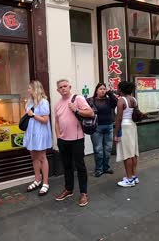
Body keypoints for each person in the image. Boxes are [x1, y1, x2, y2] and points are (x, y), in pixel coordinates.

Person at [54, 79, 94, 207]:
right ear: (58, 90)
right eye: (60, 87)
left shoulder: (78, 99)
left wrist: (76, 110)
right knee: (67, 166)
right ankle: (69, 189)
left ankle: (83, 193)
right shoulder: (57, 104)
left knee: (80, 166)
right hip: (63, 141)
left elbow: (90, 113)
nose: (63, 88)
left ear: (70, 87)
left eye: (65, 86)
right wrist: (58, 136)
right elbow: (56, 121)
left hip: (77, 139)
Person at [24, 81, 52, 196]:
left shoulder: (44, 102)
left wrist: (33, 115)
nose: (28, 90)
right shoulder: (29, 102)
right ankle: (37, 179)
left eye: (29, 88)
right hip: (31, 133)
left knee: (42, 157)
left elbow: (45, 120)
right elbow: (27, 116)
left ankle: (45, 182)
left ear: (36, 89)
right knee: (34, 157)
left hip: (40, 133)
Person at [113, 81, 140, 187]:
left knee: (127, 154)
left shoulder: (121, 101)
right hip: (132, 126)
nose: (117, 89)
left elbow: (118, 119)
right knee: (133, 152)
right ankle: (133, 176)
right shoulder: (134, 99)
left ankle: (129, 180)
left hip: (124, 127)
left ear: (121, 89)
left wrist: (115, 134)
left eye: (118, 88)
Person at [89, 83, 118, 177]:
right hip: (96, 128)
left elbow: (116, 101)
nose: (102, 90)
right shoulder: (91, 100)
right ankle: (99, 169)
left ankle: (106, 167)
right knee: (98, 150)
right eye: (100, 89)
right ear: (96, 90)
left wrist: (109, 92)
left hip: (109, 127)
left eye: (104, 89)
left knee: (108, 149)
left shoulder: (109, 100)